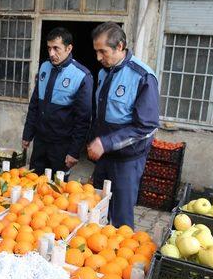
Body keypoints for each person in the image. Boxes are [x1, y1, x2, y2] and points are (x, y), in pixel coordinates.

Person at [87, 22, 159, 228]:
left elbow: (147, 126)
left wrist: (106, 143)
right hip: (104, 157)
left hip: (127, 161)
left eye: (103, 51)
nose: (99, 58)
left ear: (119, 46)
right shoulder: (103, 73)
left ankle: (121, 256)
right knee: (97, 210)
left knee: (120, 220)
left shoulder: (142, 76)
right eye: (96, 52)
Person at [21, 27, 93, 177]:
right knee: (34, 182)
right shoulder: (44, 67)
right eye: (49, 48)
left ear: (69, 48)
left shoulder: (81, 75)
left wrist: (74, 152)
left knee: (58, 192)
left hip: (62, 145)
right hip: (41, 142)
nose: (51, 53)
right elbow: (35, 103)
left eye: (56, 48)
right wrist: (28, 134)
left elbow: (83, 119)